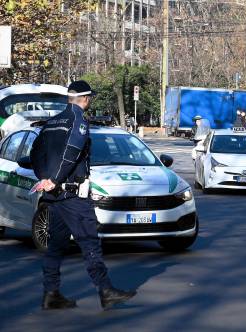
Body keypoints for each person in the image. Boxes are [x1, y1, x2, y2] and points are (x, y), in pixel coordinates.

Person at [31, 80, 136, 310]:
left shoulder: (51, 122)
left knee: (56, 245)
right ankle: (105, 290)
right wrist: (55, 179)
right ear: (86, 99)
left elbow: (35, 152)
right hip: (72, 196)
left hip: (54, 196)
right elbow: (71, 152)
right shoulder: (78, 120)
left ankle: (51, 293)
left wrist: (44, 178)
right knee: (89, 241)